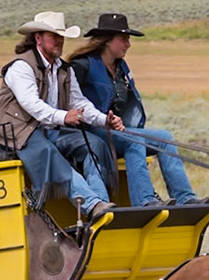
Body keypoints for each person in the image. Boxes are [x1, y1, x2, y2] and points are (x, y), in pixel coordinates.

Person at [0, 11, 123, 225]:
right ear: (38, 38)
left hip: (50, 129)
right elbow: (32, 105)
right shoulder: (21, 67)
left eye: (61, 36)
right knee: (48, 152)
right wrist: (64, 117)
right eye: (54, 36)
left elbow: (80, 103)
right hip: (19, 132)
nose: (59, 41)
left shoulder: (63, 69)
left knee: (94, 144)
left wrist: (103, 120)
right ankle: (91, 204)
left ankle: (100, 204)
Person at [69, 13, 199, 206]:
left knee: (165, 138)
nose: (128, 44)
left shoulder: (121, 68)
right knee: (134, 139)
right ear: (107, 41)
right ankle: (145, 201)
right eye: (123, 39)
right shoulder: (82, 66)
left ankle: (186, 198)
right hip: (89, 133)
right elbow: (70, 102)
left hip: (114, 132)